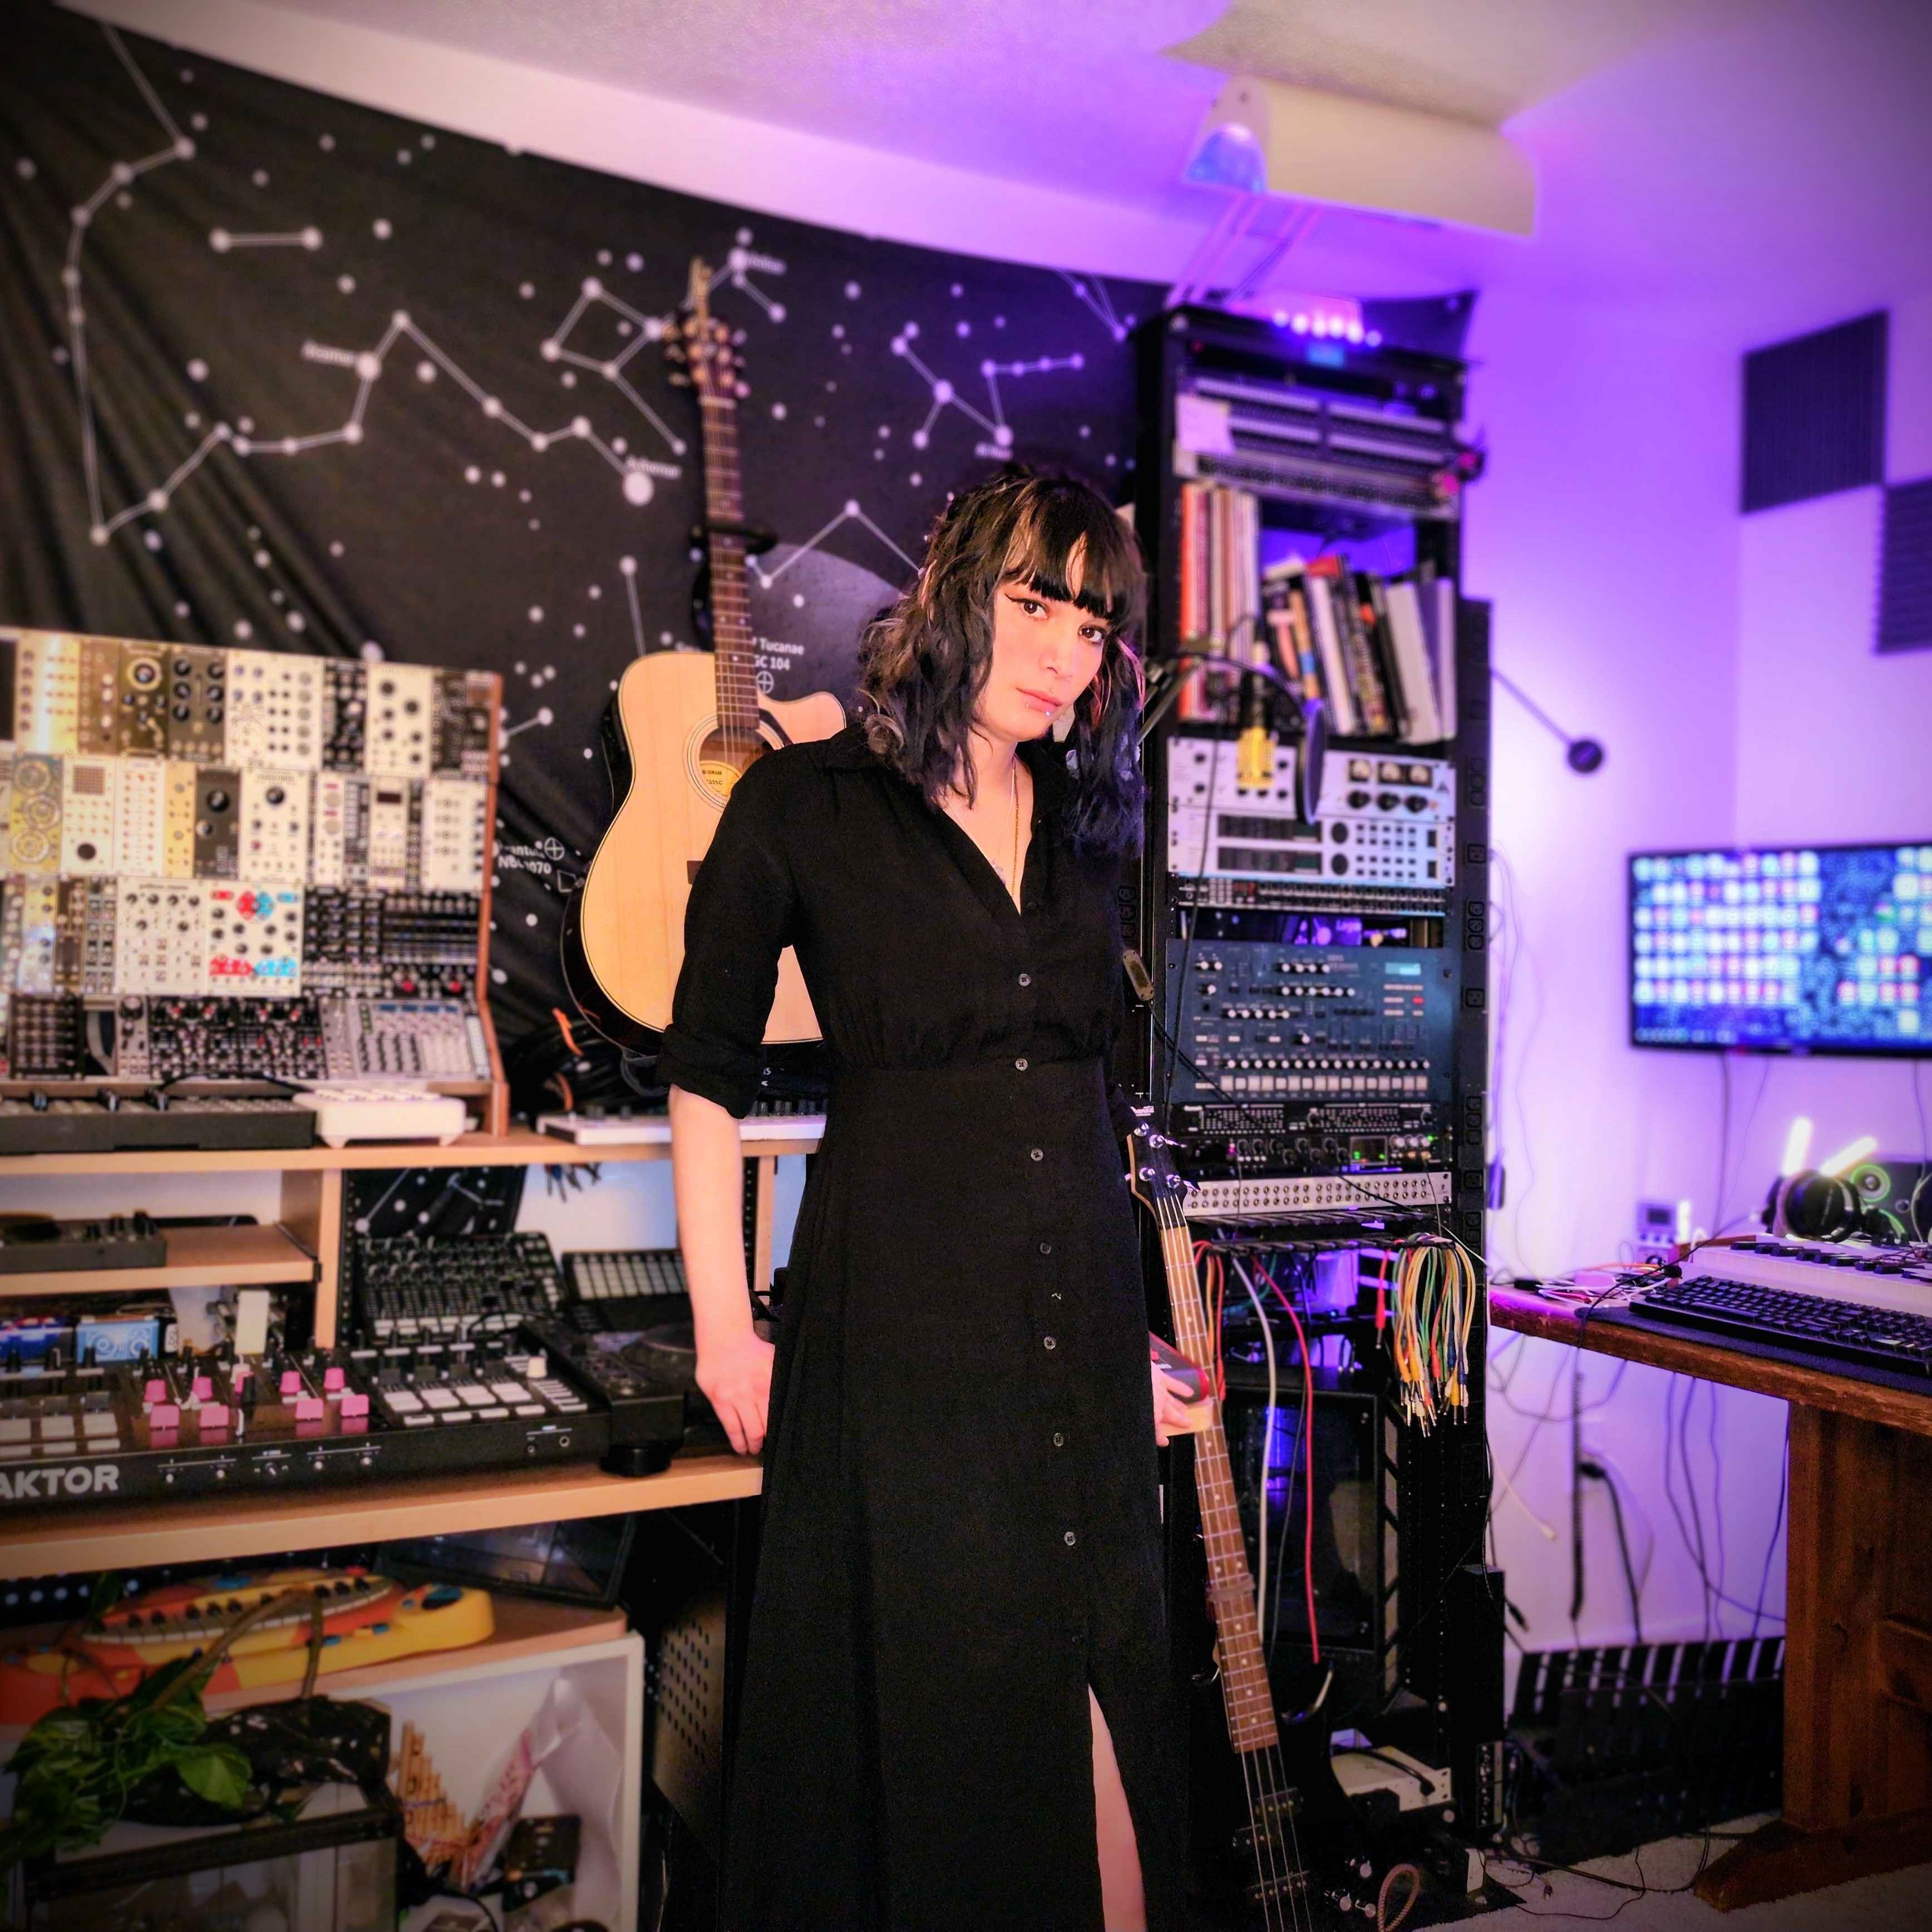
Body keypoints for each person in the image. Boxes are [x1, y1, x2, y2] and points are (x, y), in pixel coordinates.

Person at [662, 467, 1197, 1931]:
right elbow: (704, 1076)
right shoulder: (807, 800)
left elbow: (1085, 1098)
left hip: (1077, 1332)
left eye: (1092, 629)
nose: (1063, 654)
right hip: (900, 1336)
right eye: (1035, 607)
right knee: (941, 1720)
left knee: (1109, 1707)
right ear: (958, 592)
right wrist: (724, 1330)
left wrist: (1131, 1332)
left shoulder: (1090, 821)